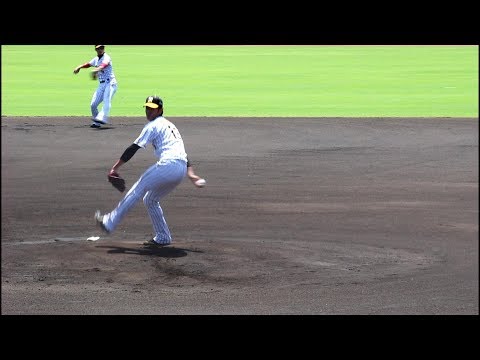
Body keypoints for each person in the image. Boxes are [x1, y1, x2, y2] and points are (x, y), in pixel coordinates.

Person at [95, 95, 206, 247]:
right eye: (147, 108)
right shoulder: (171, 126)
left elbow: (133, 148)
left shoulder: (153, 125)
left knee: (138, 188)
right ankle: (163, 237)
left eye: (152, 109)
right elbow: (184, 155)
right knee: (150, 199)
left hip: (169, 165)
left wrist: (115, 168)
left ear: (160, 110)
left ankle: (109, 222)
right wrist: (191, 175)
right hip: (178, 170)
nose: (148, 111)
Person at [73, 45, 118, 128]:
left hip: (110, 83)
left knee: (106, 100)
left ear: (103, 49)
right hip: (101, 85)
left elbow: (104, 65)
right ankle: (97, 122)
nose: (100, 49)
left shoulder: (106, 57)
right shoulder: (96, 59)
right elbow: (88, 64)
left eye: (102, 48)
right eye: (98, 48)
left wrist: (96, 70)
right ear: (96, 49)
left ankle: (102, 118)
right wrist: (79, 67)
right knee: (93, 104)